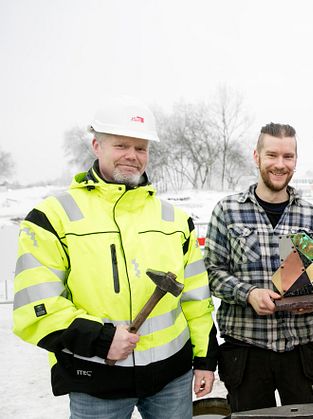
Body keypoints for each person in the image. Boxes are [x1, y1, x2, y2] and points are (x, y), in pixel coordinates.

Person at [12, 95, 218, 419]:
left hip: (171, 381)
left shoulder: (175, 220)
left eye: (141, 148)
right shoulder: (54, 217)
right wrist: (100, 339)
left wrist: (205, 360)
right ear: (97, 146)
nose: (132, 157)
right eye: (121, 145)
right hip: (95, 381)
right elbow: (34, 306)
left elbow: (197, 299)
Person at [204, 122, 313, 412]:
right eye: (272, 155)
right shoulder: (228, 211)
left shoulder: (310, 216)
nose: (280, 164)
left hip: (301, 352)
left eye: (288, 157)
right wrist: (248, 293)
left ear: (295, 160)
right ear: (256, 157)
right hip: (247, 353)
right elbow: (211, 273)